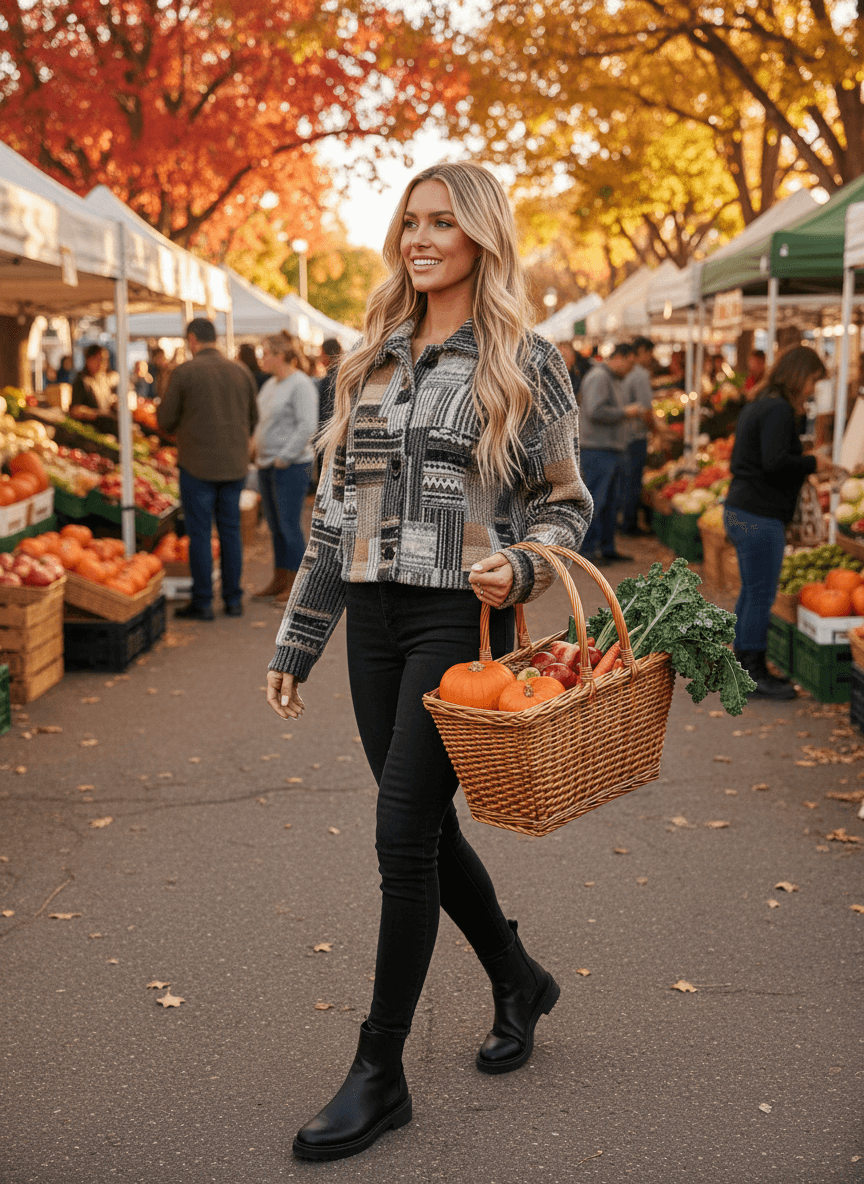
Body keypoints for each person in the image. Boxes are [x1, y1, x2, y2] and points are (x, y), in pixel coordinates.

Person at [265, 162, 591, 1163]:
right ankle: (518, 973)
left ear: (481, 237)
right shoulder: (366, 359)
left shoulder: (523, 360)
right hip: (371, 617)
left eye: (442, 222)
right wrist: (298, 639)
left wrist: (525, 561)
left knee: (399, 831)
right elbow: (332, 519)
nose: (420, 237)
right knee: (423, 825)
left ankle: (381, 1068)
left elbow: (565, 501)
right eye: (410, 221)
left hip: (460, 620)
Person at [724, 345, 830, 698]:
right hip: (758, 514)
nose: (814, 389)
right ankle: (753, 673)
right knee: (760, 594)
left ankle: (743, 665)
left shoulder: (761, 401)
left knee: (752, 592)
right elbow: (775, 462)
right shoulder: (778, 409)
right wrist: (814, 463)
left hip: (744, 509)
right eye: (814, 380)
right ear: (801, 375)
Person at [157, 318, 258, 620]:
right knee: (230, 532)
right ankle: (233, 599)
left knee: (199, 533)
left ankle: (202, 601)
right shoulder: (241, 371)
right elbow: (253, 417)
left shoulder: (185, 372)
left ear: (192, 339)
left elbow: (165, 420)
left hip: (197, 464)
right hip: (234, 465)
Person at [252, 333, 318, 602]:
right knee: (275, 525)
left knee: (289, 524)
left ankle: (298, 585)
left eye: (265, 353)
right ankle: (280, 577)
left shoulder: (300, 384)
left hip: (290, 466)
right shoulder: (270, 385)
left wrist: (285, 457)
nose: (262, 358)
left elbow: (307, 426)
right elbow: (261, 421)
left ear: (280, 355)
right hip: (267, 464)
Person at [577, 342, 643, 564]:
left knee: (610, 503)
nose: (631, 369)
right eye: (631, 363)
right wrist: (626, 412)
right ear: (620, 357)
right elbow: (595, 411)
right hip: (597, 449)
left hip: (609, 449)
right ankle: (588, 550)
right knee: (596, 500)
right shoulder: (599, 377)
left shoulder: (611, 379)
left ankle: (606, 547)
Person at [618, 335, 656, 536]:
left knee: (624, 481)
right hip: (635, 435)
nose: (651, 357)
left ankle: (623, 521)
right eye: (649, 353)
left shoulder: (623, 373)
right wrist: (655, 430)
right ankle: (629, 525)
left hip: (622, 435)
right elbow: (645, 408)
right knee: (633, 480)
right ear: (640, 352)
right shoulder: (640, 374)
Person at [70, 345, 117, 432]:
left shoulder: (104, 379)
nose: (103, 363)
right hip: (91, 430)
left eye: (105, 360)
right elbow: (75, 410)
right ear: (89, 359)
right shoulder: (81, 381)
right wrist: (96, 414)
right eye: (100, 359)